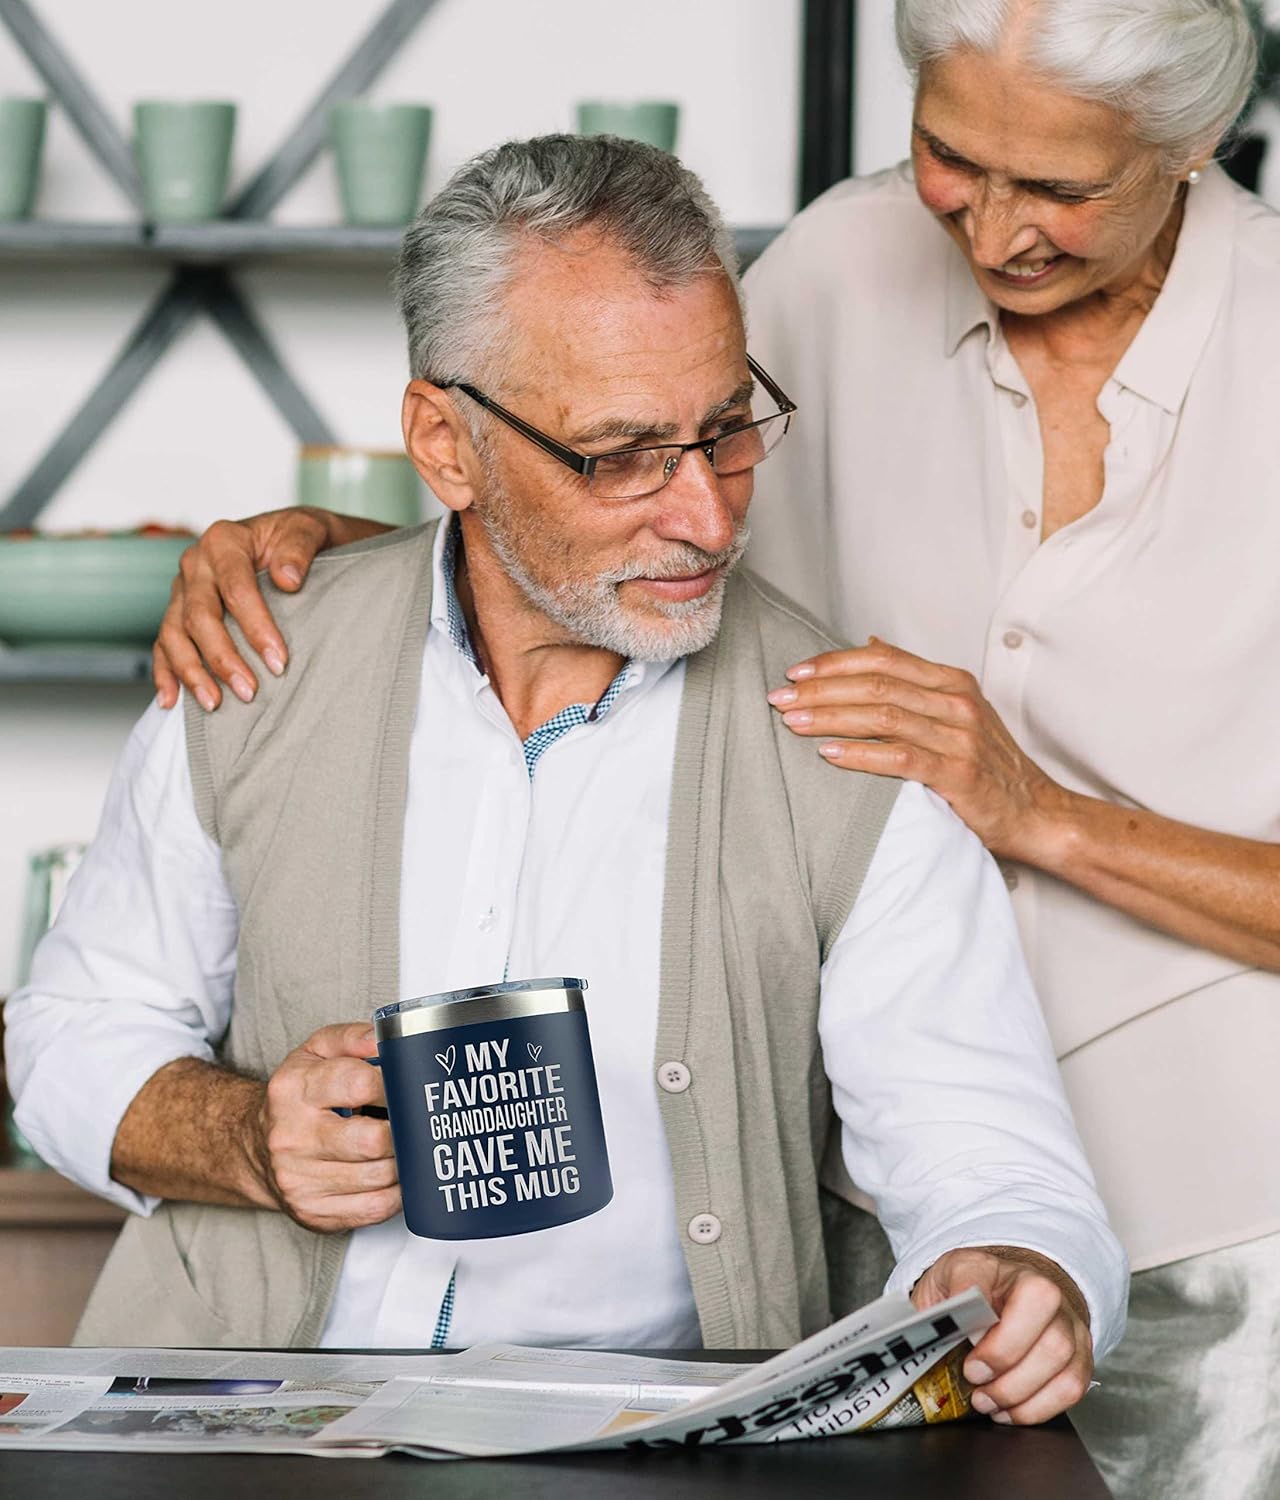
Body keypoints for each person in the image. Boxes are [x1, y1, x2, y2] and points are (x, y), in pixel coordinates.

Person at [143, 3, 1280, 1496]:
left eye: (1057, 189)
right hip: (876, 1223)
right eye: (949, 157)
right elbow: (611, 489)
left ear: (1188, 151)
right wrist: (362, 565)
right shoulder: (829, 278)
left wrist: (1039, 812)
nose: (993, 229)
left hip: (1253, 1223)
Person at [5, 134, 1129, 1426]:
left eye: (727, 430)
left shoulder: (857, 739)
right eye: (620, 455)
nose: (706, 516)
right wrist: (246, 1138)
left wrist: (1027, 1266)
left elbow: (984, 1146)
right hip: (225, 1427)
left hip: (646, 1448)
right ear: (445, 442)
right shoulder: (257, 658)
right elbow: (69, 1033)